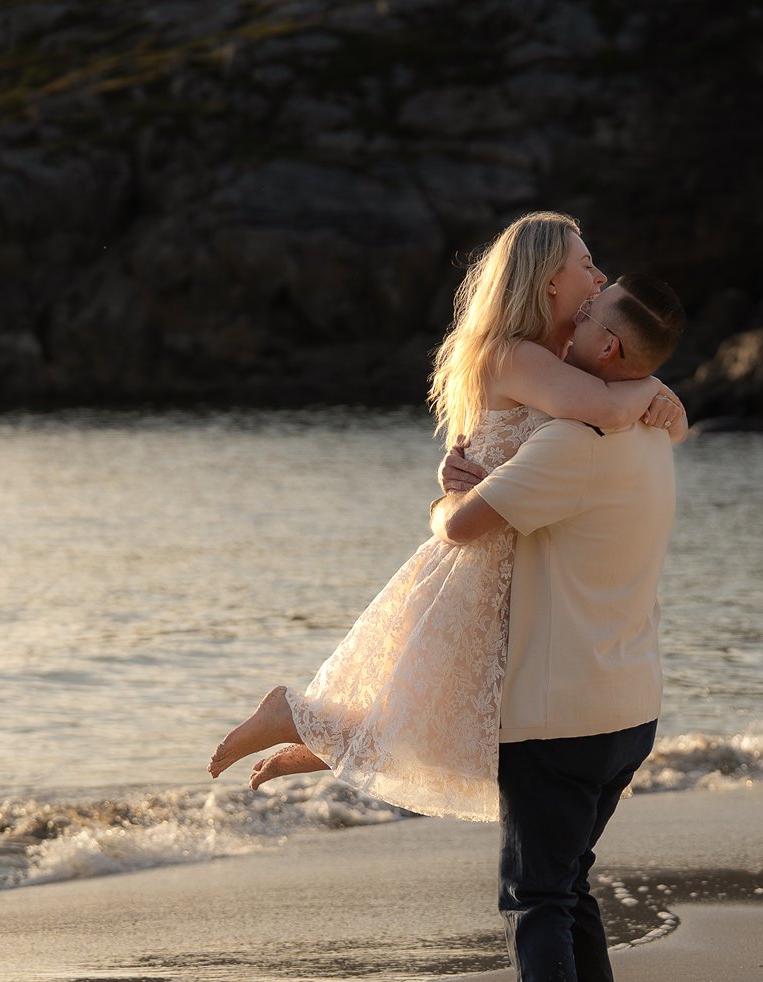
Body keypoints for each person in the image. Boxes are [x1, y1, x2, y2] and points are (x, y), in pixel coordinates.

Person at [207, 213, 686, 822]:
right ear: (547, 282)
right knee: (452, 712)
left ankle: (324, 742)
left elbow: (616, 408)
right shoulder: (510, 354)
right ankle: (296, 718)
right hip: (483, 549)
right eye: (585, 264)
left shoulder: (558, 354)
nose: (597, 276)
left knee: (455, 715)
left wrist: (652, 393)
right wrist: (650, 390)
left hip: (511, 541)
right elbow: (603, 409)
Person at [429, 275, 681, 982]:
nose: (569, 326)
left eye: (587, 321)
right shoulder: (652, 441)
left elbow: (459, 531)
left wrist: (451, 486)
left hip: (556, 715)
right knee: (569, 884)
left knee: (535, 897)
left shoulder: (570, 445)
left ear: (608, 351)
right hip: (631, 710)